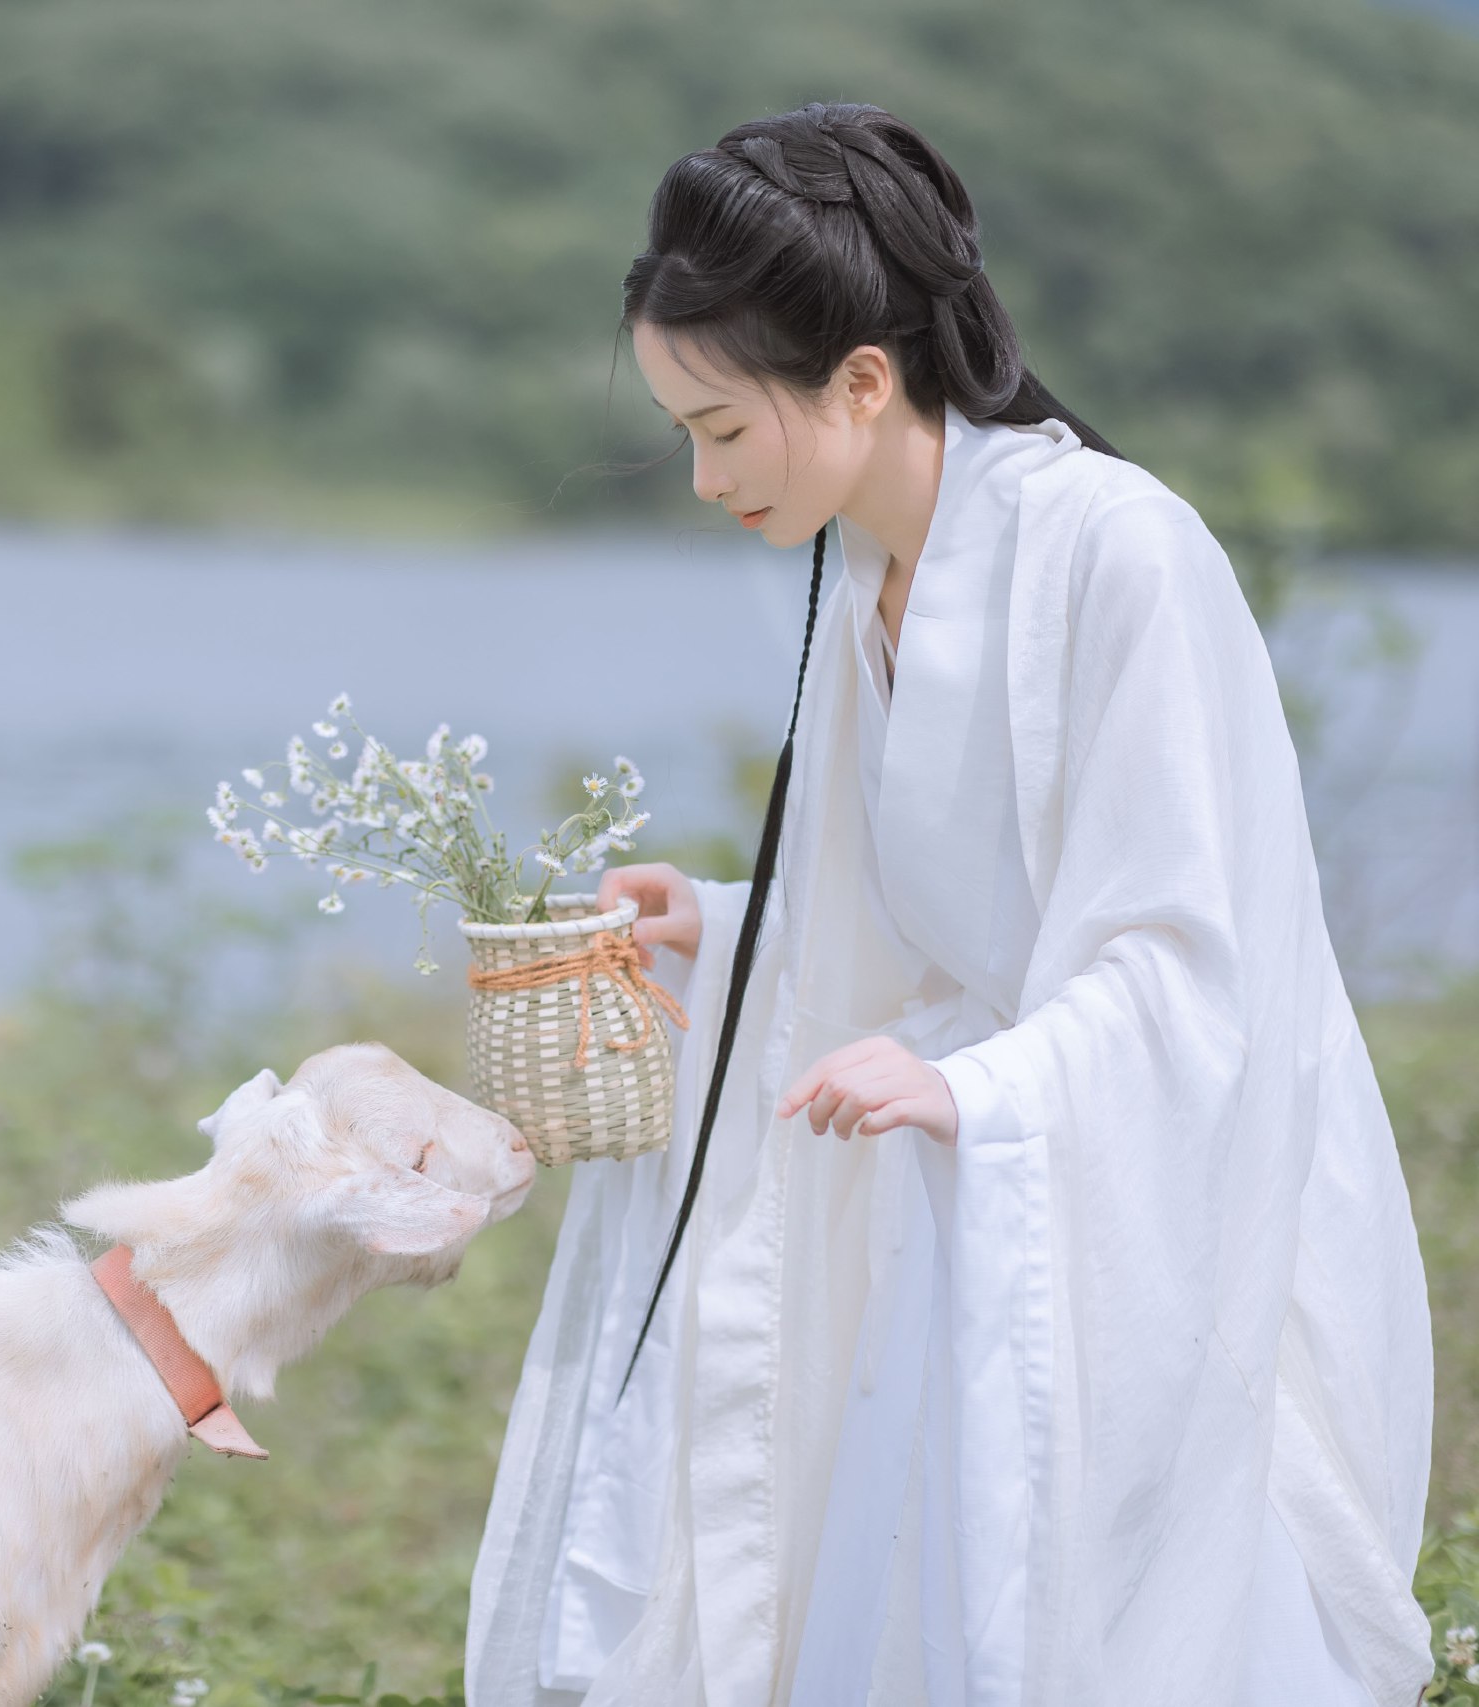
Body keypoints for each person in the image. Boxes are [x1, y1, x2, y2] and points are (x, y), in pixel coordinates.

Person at [464, 102, 1433, 1707]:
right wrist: (728, 920)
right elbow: (923, 903)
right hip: (977, 1153)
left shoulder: (1123, 553)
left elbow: (1194, 960)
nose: (703, 479)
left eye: (722, 428)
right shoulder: (873, 572)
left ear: (862, 380)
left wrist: (986, 1088)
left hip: (1138, 1165)